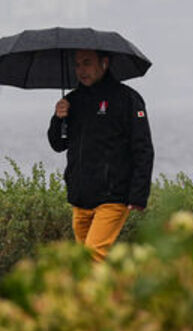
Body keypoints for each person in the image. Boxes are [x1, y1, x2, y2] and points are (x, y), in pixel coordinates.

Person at [48, 49, 154, 262]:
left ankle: (87, 296)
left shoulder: (128, 99)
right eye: (77, 65)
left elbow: (143, 149)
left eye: (87, 63)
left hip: (113, 196)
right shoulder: (72, 101)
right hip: (79, 197)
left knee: (92, 256)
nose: (81, 70)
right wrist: (58, 118)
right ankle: (116, 294)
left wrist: (138, 195)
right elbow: (58, 144)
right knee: (84, 261)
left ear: (104, 63)